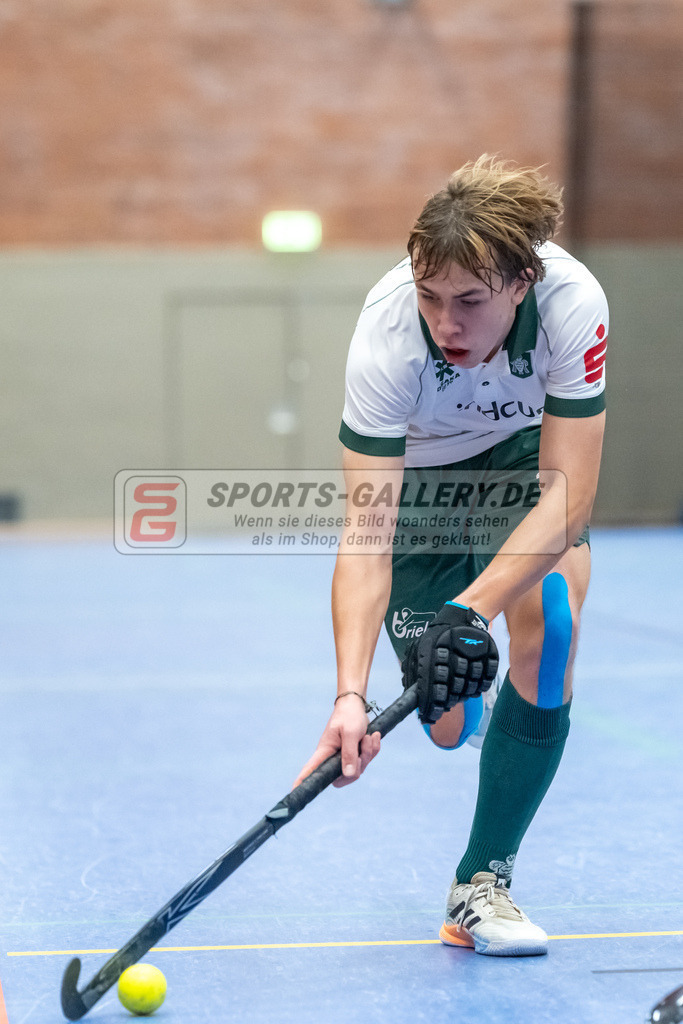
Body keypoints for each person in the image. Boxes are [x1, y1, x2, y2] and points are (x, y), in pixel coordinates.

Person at [294, 155, 607, 957]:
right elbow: (364, 536)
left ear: (521, 281)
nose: (445, 323)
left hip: (516, 459)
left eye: (469, 301)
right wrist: (349, 697)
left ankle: (481, 884)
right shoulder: (388, 331)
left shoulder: (573, 305)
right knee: (444, 719)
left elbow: (568, 498)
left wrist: (472, 610)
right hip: (424, 486)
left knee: (553, 617)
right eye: (430, 297)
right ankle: (467, 711)